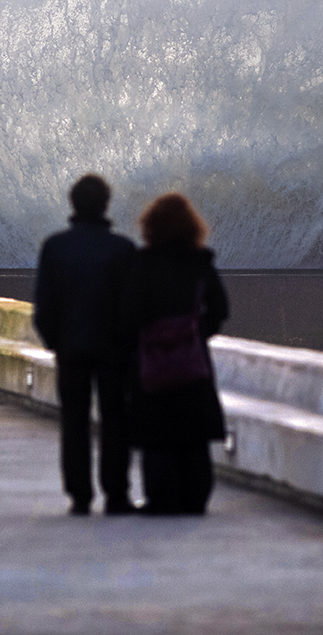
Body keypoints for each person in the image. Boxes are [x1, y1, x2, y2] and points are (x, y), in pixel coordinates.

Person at [33, 174, 138, 516]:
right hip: (113, 351)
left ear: (72, 203)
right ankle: (117, 494)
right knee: (116, 420)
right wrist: (126, 344)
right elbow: (131, 307)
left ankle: (80, 496)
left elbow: (44, 306)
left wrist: (56, 343)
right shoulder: (122, 249)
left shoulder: (55, 247)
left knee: (74, 421)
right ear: (106, 204)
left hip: (71, 348)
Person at [121, 192, 228, 515]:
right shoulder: (200, 261)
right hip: (191, 361)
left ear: (150, 226)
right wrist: (195, 335)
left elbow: (127, 313)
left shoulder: (142, 263)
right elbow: (220, 309)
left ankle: (161, 500)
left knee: (157, 433)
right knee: (194, 435)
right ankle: (195, 500)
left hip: (152, 360)